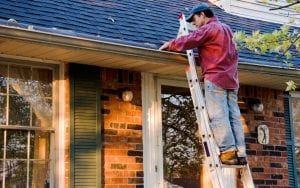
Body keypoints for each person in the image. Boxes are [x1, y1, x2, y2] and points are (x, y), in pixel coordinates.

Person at [159, 3, 247, 165]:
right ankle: (241, 152)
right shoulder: (227, 29)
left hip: (215, 79)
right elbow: (226, 55)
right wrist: (205, 64)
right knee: (233, 116)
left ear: (202, 15)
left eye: (194, 20)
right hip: (231, 80)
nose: (193, 24)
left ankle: (228, 152)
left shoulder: (209, 28)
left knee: (218, 115)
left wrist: (171, 44)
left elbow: (192, 39)